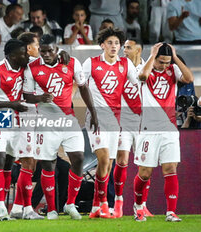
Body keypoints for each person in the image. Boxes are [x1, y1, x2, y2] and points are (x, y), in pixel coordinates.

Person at [23, 34, 98, 220]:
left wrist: (94, 113)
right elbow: (26, 95)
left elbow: (83, 87)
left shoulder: (72, 62)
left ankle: (70, 203)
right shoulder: (32, 67)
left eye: (50, 50)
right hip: (45, 121)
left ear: (58, 49)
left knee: (79, 158)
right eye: (43, 51)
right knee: (49, 164)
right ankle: (51, 209)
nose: (47, 54)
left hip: (68, 119)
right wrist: (40, 98)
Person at [82, 28, 138, 219]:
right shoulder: (91, 63)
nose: (114, 46)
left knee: (108, 164)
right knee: (104, 159)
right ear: (102, 45)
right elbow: (79, 84)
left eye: (116, 43)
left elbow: (138, 84)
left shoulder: (125, 63)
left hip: (116, 119)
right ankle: (104, 203)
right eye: (110, 43)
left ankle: (96, 206)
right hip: (96, 118)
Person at [134, 43, 193, 222]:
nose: (164, 66)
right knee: (145, 173)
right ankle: (138, 206)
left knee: (170, 168)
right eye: (162, 62)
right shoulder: (143, 68)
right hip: (148, 129)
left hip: (169, 128)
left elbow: (189, 79)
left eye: (167, 62)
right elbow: (143, 75)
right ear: (155, 57)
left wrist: (174, 58)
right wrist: (152, 56)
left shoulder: (173, 69)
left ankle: (171, 212)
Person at [0, 39, 30, 220]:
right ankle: (1, 206)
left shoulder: (25, 67)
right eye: (23, 53)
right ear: (11, 56)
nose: (27, 55)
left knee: (9, 163)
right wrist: (12, 104)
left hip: (15, 118)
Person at [113, 39, 153, 218]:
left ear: (139, 50)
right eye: (124, 48)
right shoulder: (119, 66)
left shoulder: (149, 68)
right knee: (122, 160)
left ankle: (142, 205)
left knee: (145, 165)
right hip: (124, 122)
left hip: (143, 123)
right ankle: (118, 202)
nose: (124, 50)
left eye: (128, 47)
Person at [8, 32, 43, 220]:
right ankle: (28, 209)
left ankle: (16, 208)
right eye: (37, 45)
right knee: (28, 162)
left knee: (31, 163)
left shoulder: (28, 65)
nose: (40, 49)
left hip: (32, 115)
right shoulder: (27, 66)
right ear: (28, 48)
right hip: (24, 115)